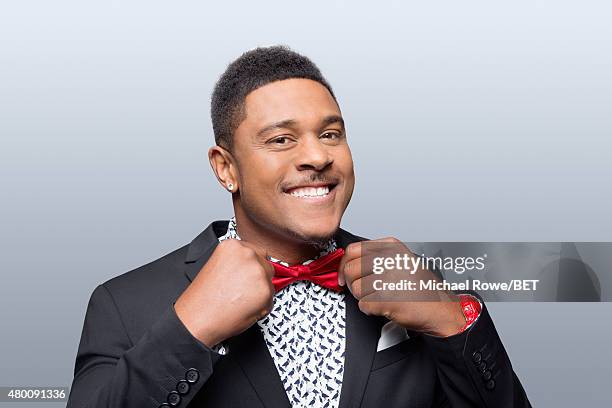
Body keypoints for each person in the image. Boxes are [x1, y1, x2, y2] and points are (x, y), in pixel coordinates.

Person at [67, 45, 532, 408]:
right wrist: (191, 328)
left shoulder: (414, 279)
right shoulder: (122, 304)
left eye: (331, 134)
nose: (317, 156)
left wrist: (450, 318)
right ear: (225, 168)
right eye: (281, 139)